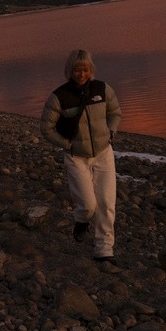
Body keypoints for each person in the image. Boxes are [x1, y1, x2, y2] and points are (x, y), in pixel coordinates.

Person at [40, 48, 122, 265]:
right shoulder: (59, 97)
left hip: (104, 154)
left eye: (85, 69)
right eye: (77, 70)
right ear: (70, 70)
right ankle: (81, 221)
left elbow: (115, 113)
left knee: (106, 202)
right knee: (87, 204)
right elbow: (46, 128)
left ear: (90, 69)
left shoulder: (102, 89)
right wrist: (68, 144)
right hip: (77, 157)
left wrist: (111, 133)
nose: (81, 74)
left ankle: (104, 250)